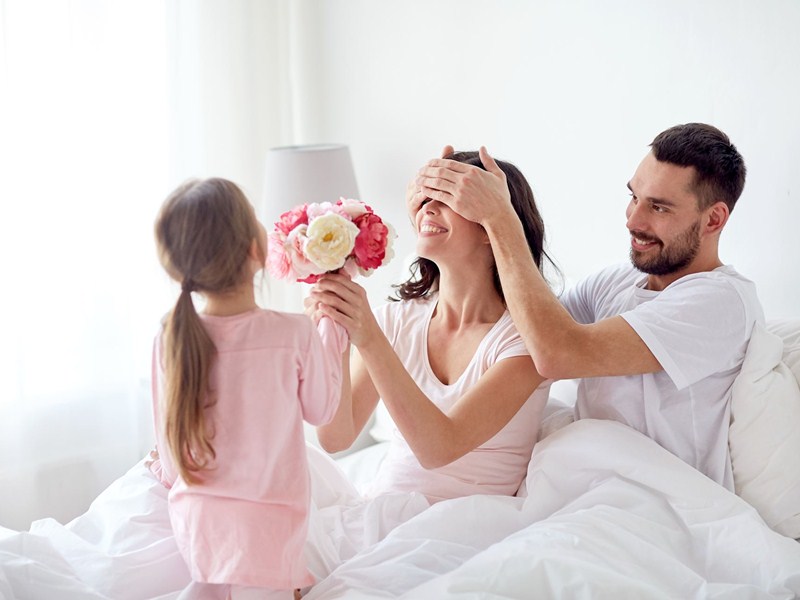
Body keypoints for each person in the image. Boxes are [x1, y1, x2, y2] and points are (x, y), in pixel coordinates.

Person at [412, 124, 764, 491]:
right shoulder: (617, 281)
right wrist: (435, 229)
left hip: (657, 502)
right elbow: (522, 328)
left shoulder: (720, 301)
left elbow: (556, 354)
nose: (633, 220)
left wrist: (501, 219)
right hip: (575, 487)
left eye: (658, 207)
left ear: (714, 219)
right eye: (634, 197)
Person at [305, 150, 553, 506]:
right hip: (381, 507)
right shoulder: (397, 320)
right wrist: (339, 334)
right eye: (426, 199)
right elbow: (335, 438)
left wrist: (371, 339)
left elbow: (439, 448)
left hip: (459, 525)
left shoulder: (527, 341)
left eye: (447, 199)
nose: (427, 210)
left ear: (494, 227)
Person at [149, 177, 347, 600]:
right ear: (255, 250)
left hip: (198, 526)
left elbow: (168, 454)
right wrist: (331, 327)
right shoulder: (294, 333)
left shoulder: (170, 336)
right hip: (271, 531)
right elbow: (323, 410)